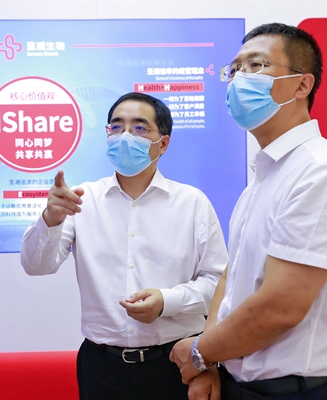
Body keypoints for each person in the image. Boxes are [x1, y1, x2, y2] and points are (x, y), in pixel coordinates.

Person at [170, 22, 327, 400]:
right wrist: (208, 362)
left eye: (256, 65)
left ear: (302, 85)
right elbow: (232, 279)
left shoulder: (323, 171)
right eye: (234, 69)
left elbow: (281, 307)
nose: (238, 79)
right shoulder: (264, 176)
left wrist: (199, 351)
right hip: (237, 384)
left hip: (288, 392)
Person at [20, 92, 228, 400]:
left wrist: (167, 301)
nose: (125, 136)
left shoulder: (192, 203)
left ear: (163, 143)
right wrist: (50, 218)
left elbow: (218, 283)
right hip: (101, 367)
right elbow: (36, 265)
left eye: (139, 128)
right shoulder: (82, 200)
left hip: (175, 363)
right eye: (116, 127)